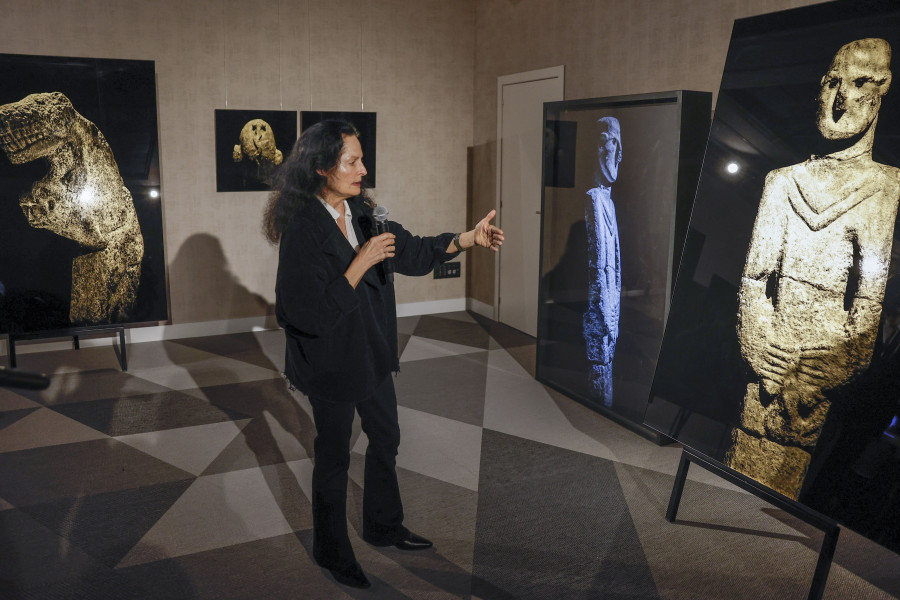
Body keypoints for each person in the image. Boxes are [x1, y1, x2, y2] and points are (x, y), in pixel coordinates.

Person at [262, 120, 503, 589]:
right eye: (351, 161)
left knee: (386, 438)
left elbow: (411, 252)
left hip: (371, 353)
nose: (362, 169)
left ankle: (383, 525)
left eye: (361, 159)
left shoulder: (363, 213)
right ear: (320, 168)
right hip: (329, 362)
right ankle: (331, 550)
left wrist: (469, 239)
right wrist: (361, 263)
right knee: (333, 459)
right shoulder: (302, 228)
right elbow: (300, 314)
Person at [727, 38, 900, 499]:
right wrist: (758, 343)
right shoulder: (783, 182)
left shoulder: (887, 188)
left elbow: (868, 300)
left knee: (789, 473)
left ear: (881, 90)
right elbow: (755, 278)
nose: (840, 99)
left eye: (859, 83)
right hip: (770, 359)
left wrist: (838, 363)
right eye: (831, 83)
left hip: (818, 370)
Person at [583, 116, 622, 406]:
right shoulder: (595, 199)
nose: (618, 152)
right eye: (611, 140)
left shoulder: (607, 201)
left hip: (611, 317)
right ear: (597, 146)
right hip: (601, 316)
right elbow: (599, 271)